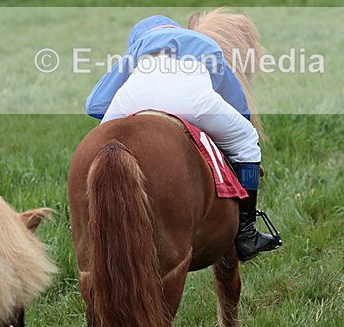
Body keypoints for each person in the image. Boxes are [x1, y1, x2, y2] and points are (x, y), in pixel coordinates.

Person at [85, 14, 282, 261]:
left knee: (98, 151)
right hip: (190, 98)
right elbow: (232, 94)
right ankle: (246, 233)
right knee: (246, 141)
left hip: (133, 96)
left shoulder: (137, 49)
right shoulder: (203, 43)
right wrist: (240, 135)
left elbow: (95, 104)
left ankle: (86, 218)